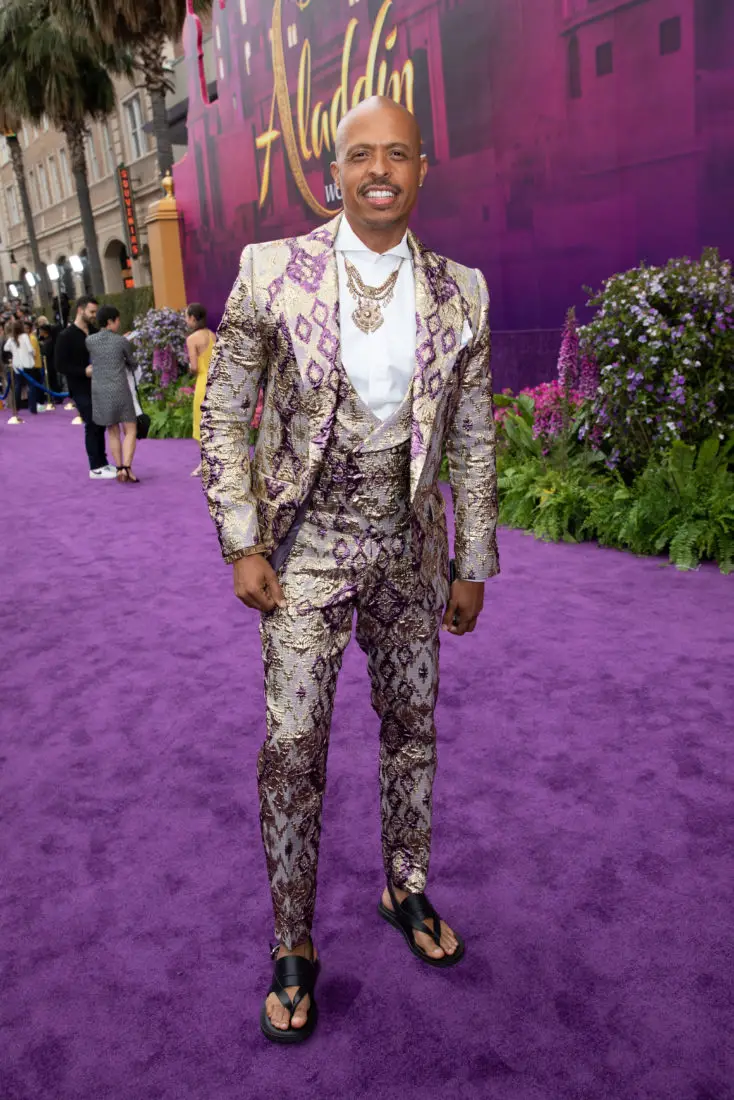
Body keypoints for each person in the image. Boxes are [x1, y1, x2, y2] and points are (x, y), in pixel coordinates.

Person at [200, 96, 499, 1043]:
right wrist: (243, 540)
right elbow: (224, 410)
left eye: (397, 154)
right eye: (361, 154)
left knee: (412, 728)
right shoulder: (270, 272)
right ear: (334, 171)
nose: (379, 170)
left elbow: (473, 440)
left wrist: (472, 560)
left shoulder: (462, 291)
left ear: (421, 169)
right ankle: (293, 942)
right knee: (293, 747)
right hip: (305, 548)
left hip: (410, 551)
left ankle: (404, 886)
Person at [55, 296, 116, 480]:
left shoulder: (95, 332)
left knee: (100, 423)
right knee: (92, 422)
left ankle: (103, 462)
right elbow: (60, 365)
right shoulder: (66, 336)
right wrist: (83, 371)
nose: (94, 315)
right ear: (80, 310)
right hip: (80, 387)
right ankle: (95, 466)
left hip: (99, 384)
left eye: (95, 312)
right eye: (91, 312)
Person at [86, 305, 140, 483]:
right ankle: (127, 467)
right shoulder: (121, 341)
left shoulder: (90, 341)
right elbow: (132, 362)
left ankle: (119, 468)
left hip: (100, 391)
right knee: (130, 429)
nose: (119, 323)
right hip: (119, 389)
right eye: (117, 320)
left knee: (113, 431)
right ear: (110, 321)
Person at [186, 302, 215, 477]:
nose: (186, 320)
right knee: (213, 422)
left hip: (203, 382)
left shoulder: (192, 339)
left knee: (199, 422)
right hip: (215, 383)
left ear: (192, 318)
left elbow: (195, 367)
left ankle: (206, 462)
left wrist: (190, 367)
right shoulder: (212, 335)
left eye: (186, 316)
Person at [4, 319, 38, 414]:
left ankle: (17, 407)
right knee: (31, 386)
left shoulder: (11, 338)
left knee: (18, 386)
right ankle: (33, 408)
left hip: (17, 366)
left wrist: (13, 350)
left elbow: (5, 348)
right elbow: (30, 349)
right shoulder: (24, 336)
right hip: (27, 365)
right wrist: (34, 353)